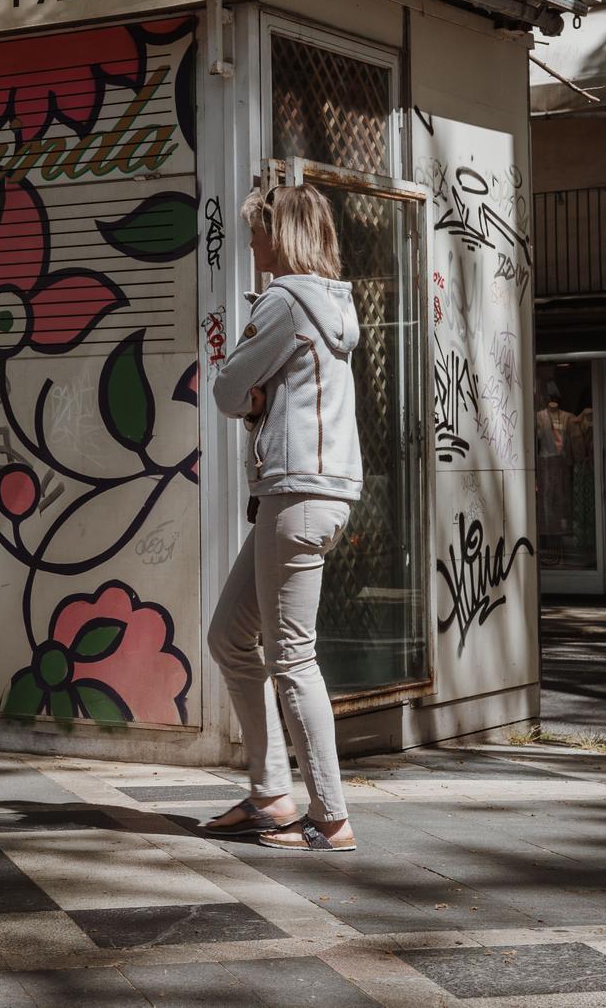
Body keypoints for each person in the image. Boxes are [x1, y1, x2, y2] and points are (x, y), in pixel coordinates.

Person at [202, 184, 363, 853]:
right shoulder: (334, 307)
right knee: (230, 636)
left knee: (293, 656)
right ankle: (271, 793)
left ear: (283, 235)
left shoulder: (283, 303)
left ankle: (329, 815)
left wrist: (252, 393)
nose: (250, 242)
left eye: (258, 230)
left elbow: (227, 388)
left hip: (294, 494)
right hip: (321, 494)